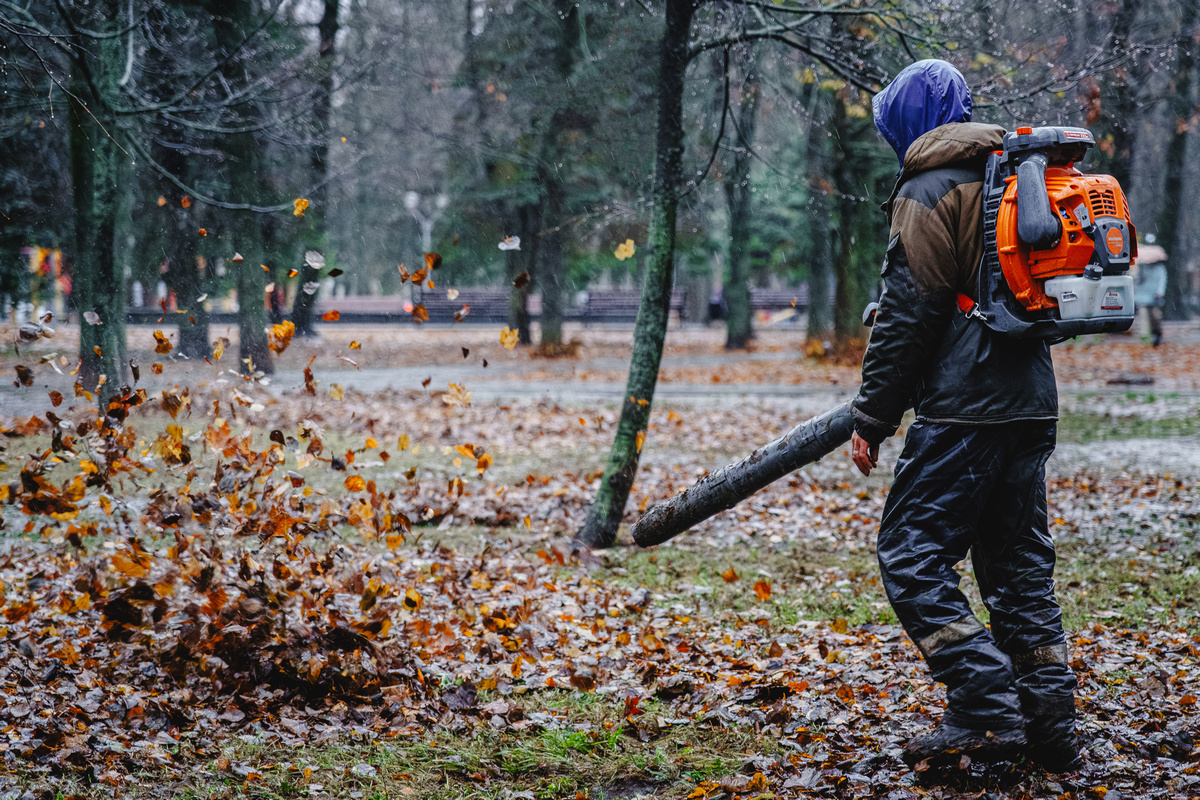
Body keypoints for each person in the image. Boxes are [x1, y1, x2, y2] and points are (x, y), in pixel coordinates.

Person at [848, 60, 1080, 773]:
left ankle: (986, 712)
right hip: (1028, 404)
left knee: (911, 555)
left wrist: (872, 417)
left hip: (964, 410)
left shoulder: (930, 185)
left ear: (908, 120)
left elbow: (910, 317)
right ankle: (1049, 727)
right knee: (1017, 569)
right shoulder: (1014, 173)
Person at [1134, 244, 1168, 346]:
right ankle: (1143, 336)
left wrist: (1160, 293)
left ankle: (1156, 333)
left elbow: (1162, 281)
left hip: (1154, 296)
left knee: (1155, 317)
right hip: (1142, 295)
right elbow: (1137, 280)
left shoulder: (1160, 268)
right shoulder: (1142, 268)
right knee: (1143, 317)